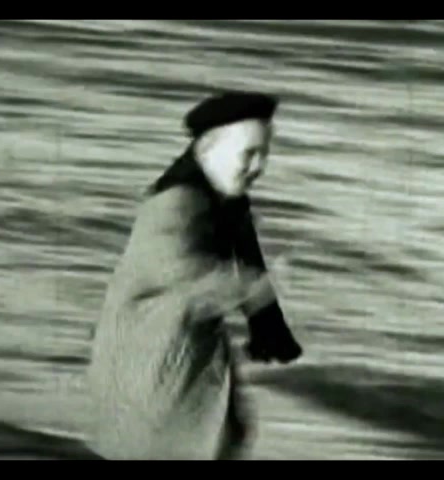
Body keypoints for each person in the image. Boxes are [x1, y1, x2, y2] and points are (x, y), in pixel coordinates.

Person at [85, 91, 303, 460]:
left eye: (265, 154)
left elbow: (233, 262)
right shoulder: (176, 204)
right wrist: (255, 287)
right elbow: (180, 271)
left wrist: (266, 321)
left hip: (180, 350)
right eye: (249, 154)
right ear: (207, 149)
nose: (259, 166)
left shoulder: (225, 202)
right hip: (149, 359)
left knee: (220, 436)